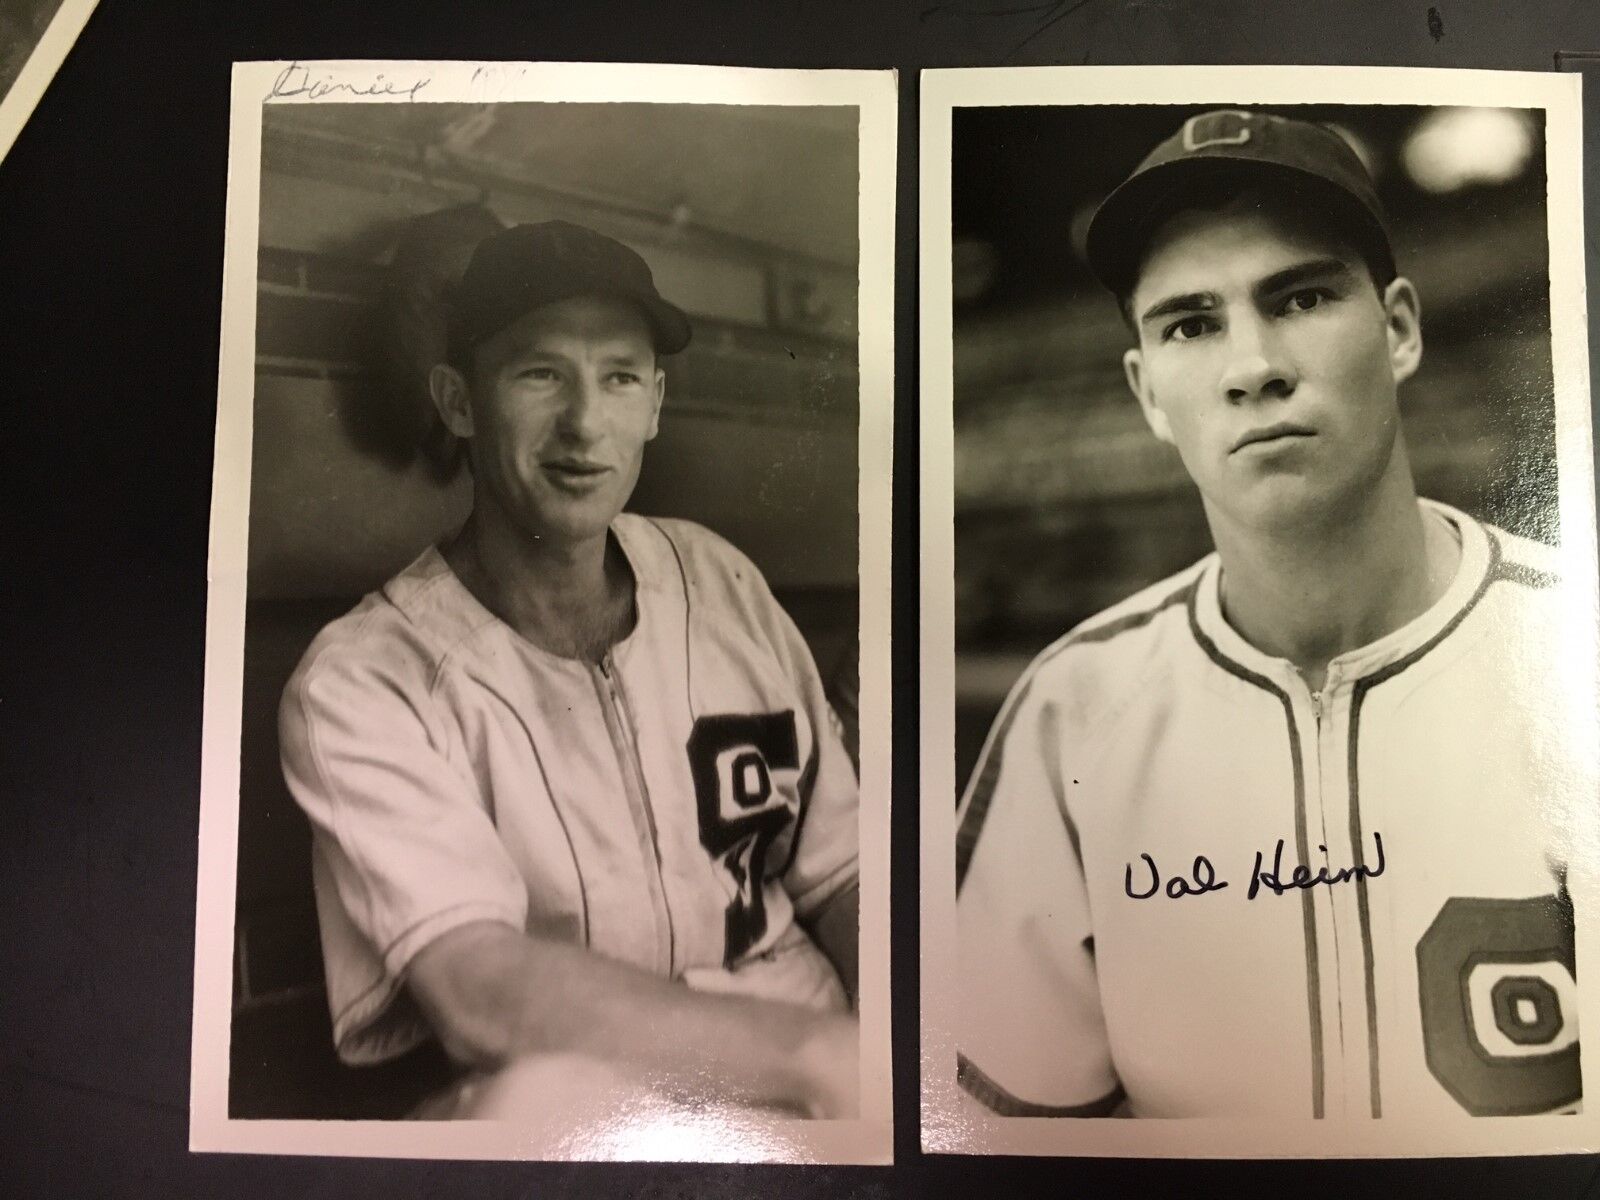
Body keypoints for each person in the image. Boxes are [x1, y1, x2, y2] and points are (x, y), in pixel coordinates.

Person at [956, 109, 1584, 1121]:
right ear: (1148, 393)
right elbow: (1009, 1137)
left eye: (1299, 297)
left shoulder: (1577, 655)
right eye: (1189, 324)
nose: (1252, 367)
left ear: (1399, 329)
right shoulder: (1072, 712)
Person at [279, 220, 860, 1121]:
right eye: (540, 373)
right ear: (460, 401)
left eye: (620, 377)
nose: (587, 424)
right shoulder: (363, 680)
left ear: (656, 404)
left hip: (822, 1049)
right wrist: (821, 1058)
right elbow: (479, 993)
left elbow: (846, 874)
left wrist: (918, 1042)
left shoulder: (718, 577)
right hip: (593, 1094)